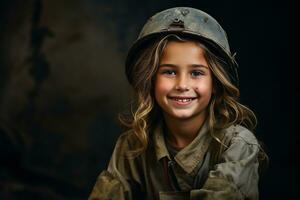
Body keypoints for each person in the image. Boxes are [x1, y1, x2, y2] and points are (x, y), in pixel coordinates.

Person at [89, 7, 267, 200]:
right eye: (169, 72)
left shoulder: (237, 145)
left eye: (196, 73)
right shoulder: (133, 145)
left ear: (215, 83)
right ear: (151, 81)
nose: (182, 85)